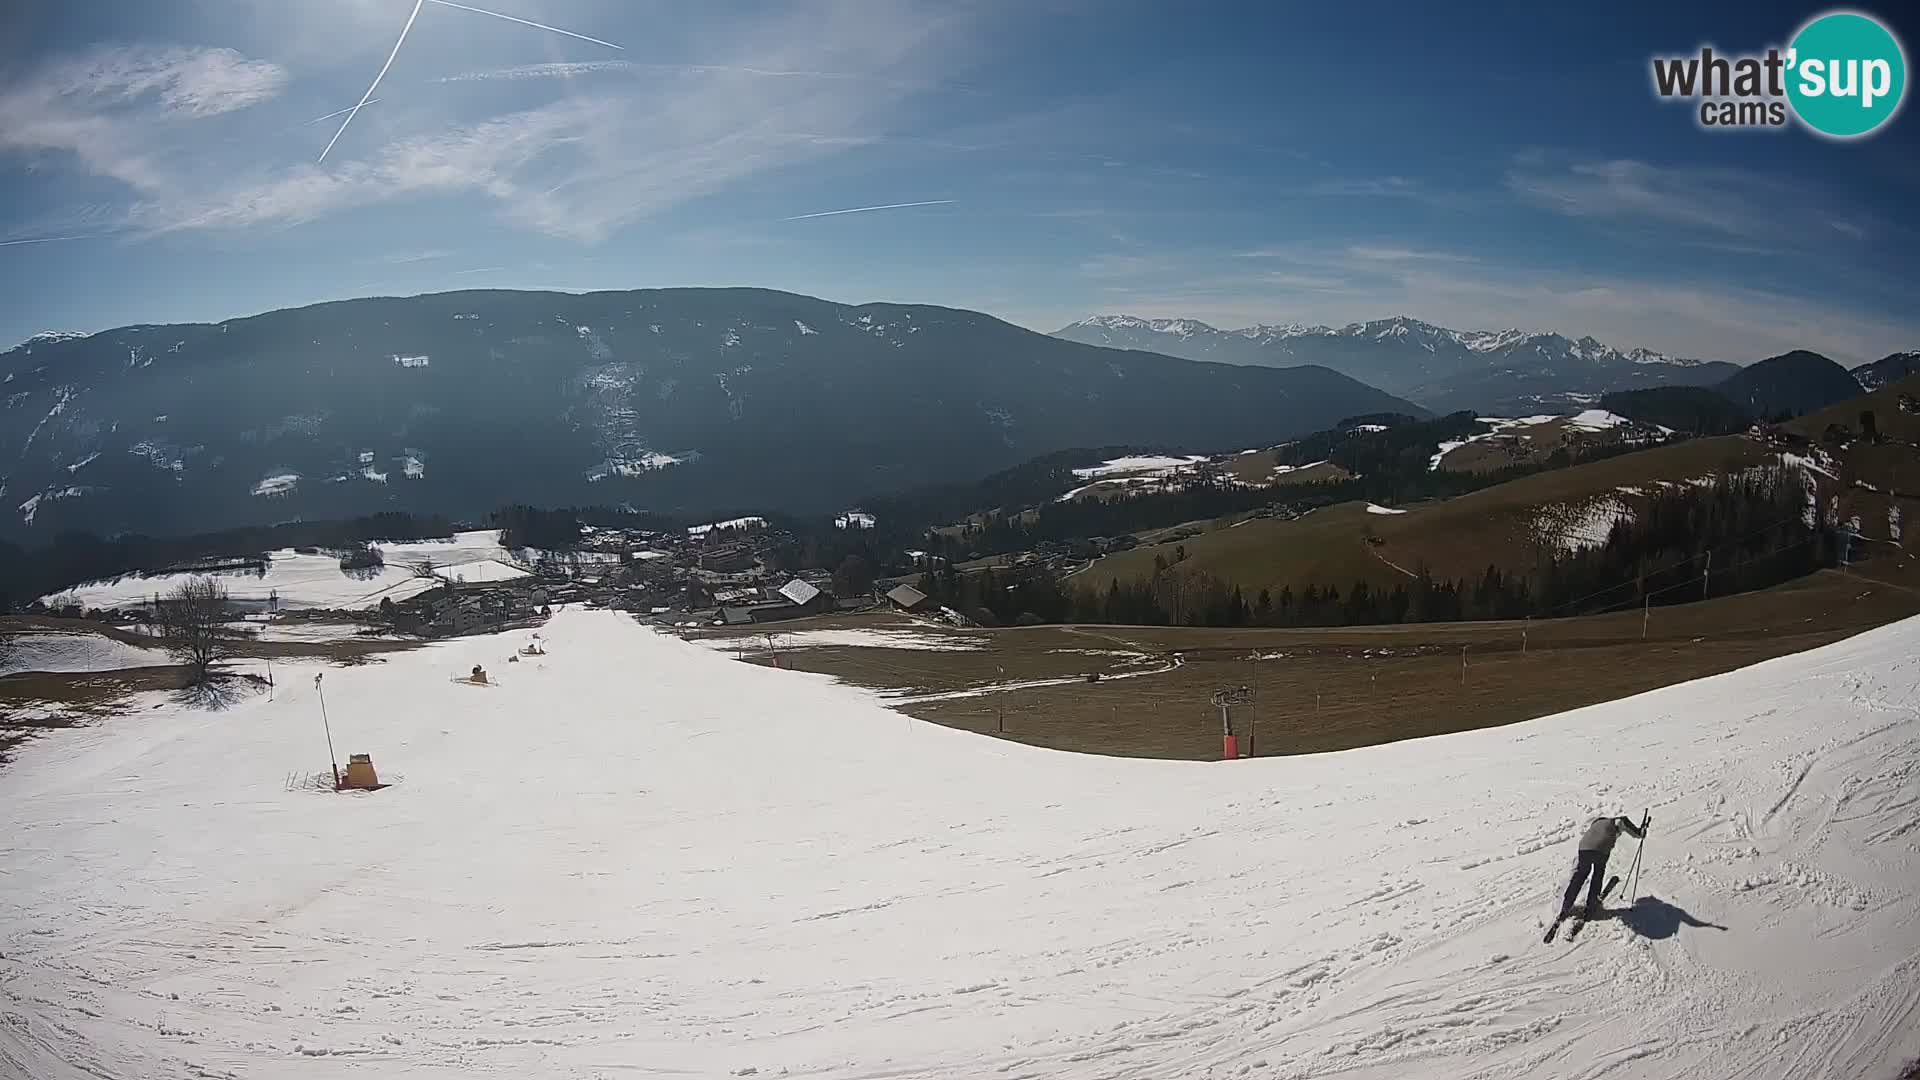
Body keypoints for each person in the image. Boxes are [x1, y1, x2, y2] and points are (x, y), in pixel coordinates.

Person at [1561, 814, 1647, 918]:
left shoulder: (1596, 824)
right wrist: (1641, 831)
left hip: (1583, 848)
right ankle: (1591, 906)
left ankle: (1566, 905)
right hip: (1601, 848)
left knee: (1580, 875)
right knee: (1598, 874)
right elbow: (1633, 829)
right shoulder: (1617, 821)